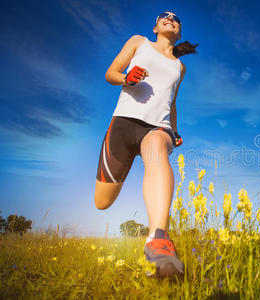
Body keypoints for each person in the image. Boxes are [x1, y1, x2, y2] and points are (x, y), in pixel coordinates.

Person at [94, 11, 198, 277]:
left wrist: (173, 130)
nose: (171, 18)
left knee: (157, 151)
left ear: (179, 31)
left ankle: (158, 241)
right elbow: (111, 73)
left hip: (157, 127)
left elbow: (172, 102)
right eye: (165, 16)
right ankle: (155, 239)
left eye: (176, 18)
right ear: (155, 27)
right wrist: (126, 78)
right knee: (102, 202)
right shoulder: (138, 42)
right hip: (123, 125)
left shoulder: (179, 67)